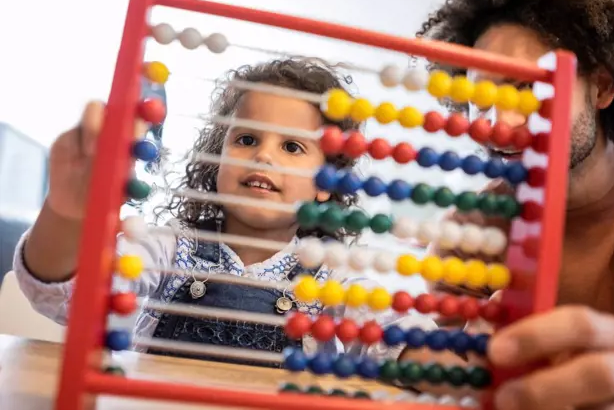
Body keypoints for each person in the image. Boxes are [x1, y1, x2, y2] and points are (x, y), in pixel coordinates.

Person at [14, 58, 436, 367]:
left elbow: (394, 336)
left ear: (327, 186)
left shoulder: (331, 280)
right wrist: (67, 213)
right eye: (247, 139)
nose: (263, 157)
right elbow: (70, 299)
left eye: (291, 147)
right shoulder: (166, 250)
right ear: (217, 159)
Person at [411, 0, 614, 408]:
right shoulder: (465, 236)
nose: (502, 123)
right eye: (483, 100)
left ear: (602, 88)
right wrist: (477, 361)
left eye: (528, 89)